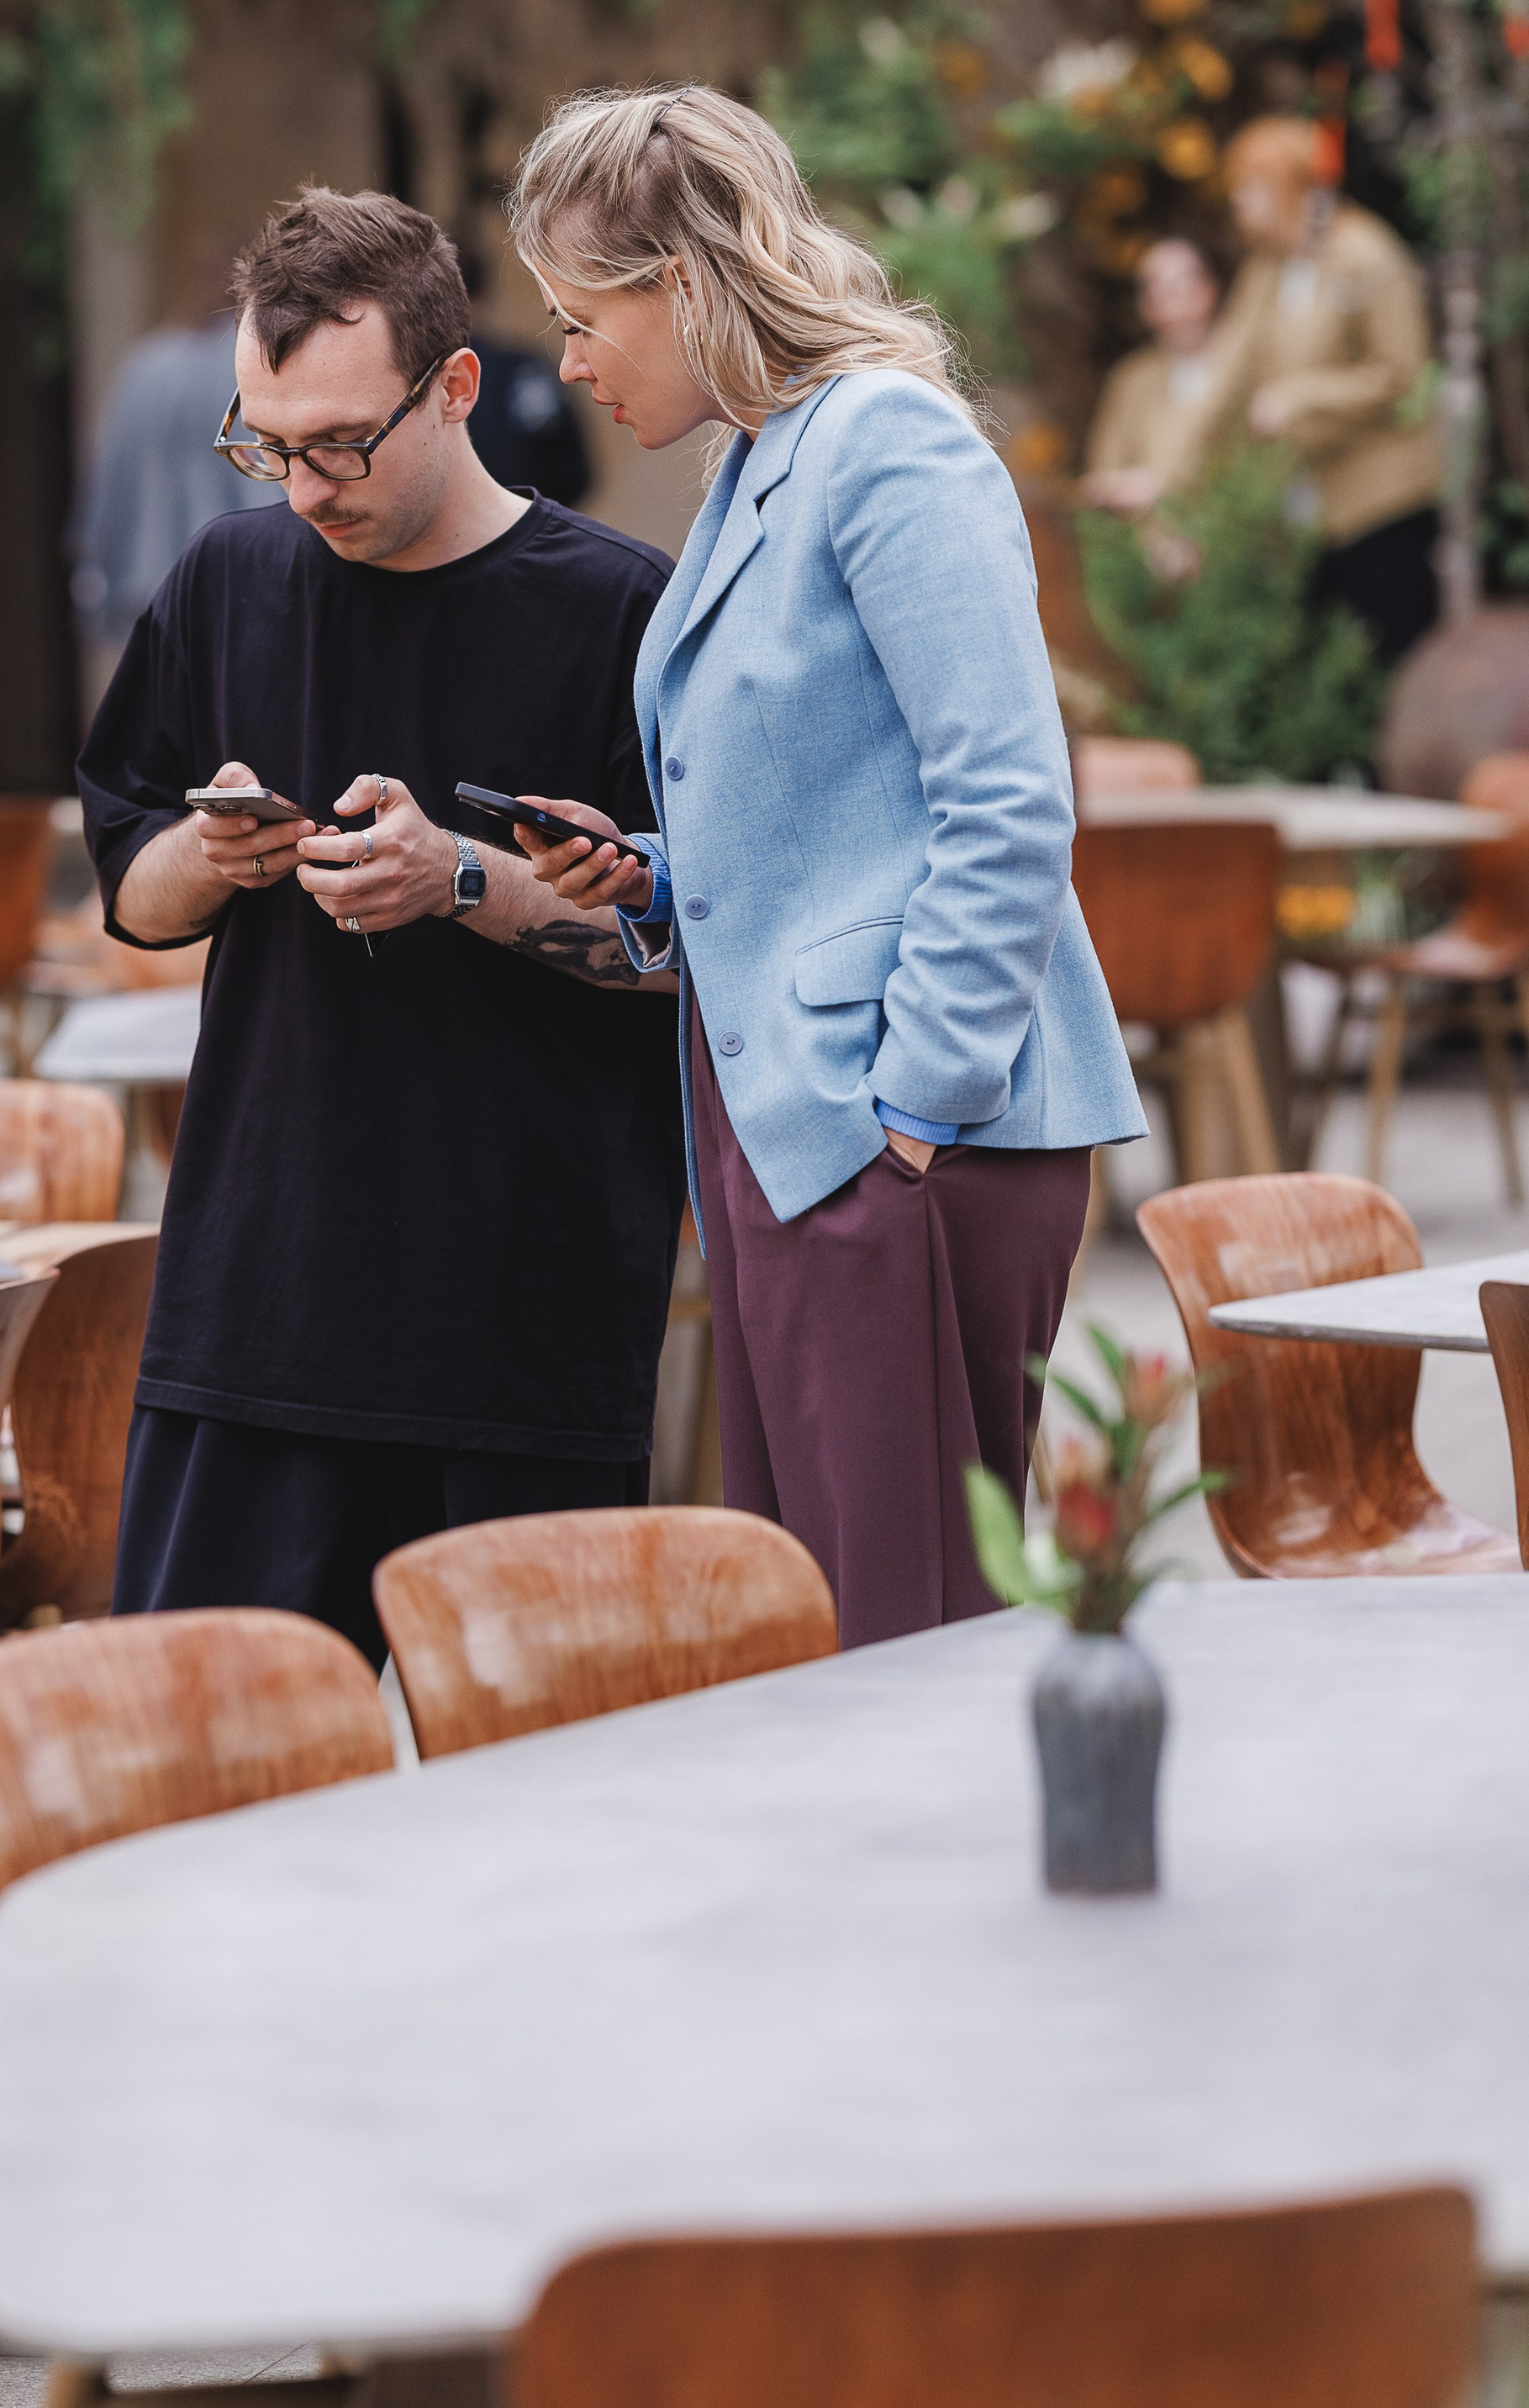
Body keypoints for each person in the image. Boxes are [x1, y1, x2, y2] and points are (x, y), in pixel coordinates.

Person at [504, 83, 1145, 1651]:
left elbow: (1008, 795)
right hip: (790, 1128)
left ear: (683, 283)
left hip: (898, 1130)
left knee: (911, 1637)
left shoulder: (887, 442)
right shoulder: (759, 460)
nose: (568, 362)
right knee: (838, 1633)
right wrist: (652, 875)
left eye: (582, 318)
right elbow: (832, 813)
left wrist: (914, 1109)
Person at [78, 185, 685, 1667]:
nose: (306, 486)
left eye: (344, 442)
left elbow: (683, 952)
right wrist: (214, 856)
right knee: (215, 1769)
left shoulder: (624, 614)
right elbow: (130, 889)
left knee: (537, 1791)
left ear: (457, 385)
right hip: (255, 1310)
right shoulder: (225, 578)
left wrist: (462, 879)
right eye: (268, 443)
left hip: (524, 1332)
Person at [1214, 115, 1444, 667]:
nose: (1238, 202)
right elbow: (1225, 371)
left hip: (1386, 501)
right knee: (1332, 667)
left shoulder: (1364, 253)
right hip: (1318, 508)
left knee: (1398, 654)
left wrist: (1301, 396)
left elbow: (1403, 374)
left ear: (1288, 185)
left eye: (1250, 187)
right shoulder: (1268, 270)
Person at [70, 281, 282, 665]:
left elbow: (106, 501)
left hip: (153, 593)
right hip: (235, 595)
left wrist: (98, 586)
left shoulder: (143, 369)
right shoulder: (251, 361)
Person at [1079, 234, 1235, 516]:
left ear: (1208, 289)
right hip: (1146, 530)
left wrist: (1166, 485)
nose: (1164, 299)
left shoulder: (1240, 367)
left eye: (1176, 286)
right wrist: (1119, 487)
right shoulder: (1131, 379)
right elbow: (1102, 469)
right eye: (1153, 289)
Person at [456, 240, 593, 505]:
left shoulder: (414, 381)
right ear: (483, 288)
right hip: (534, 518)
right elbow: (574, 472)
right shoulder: (523, 371)